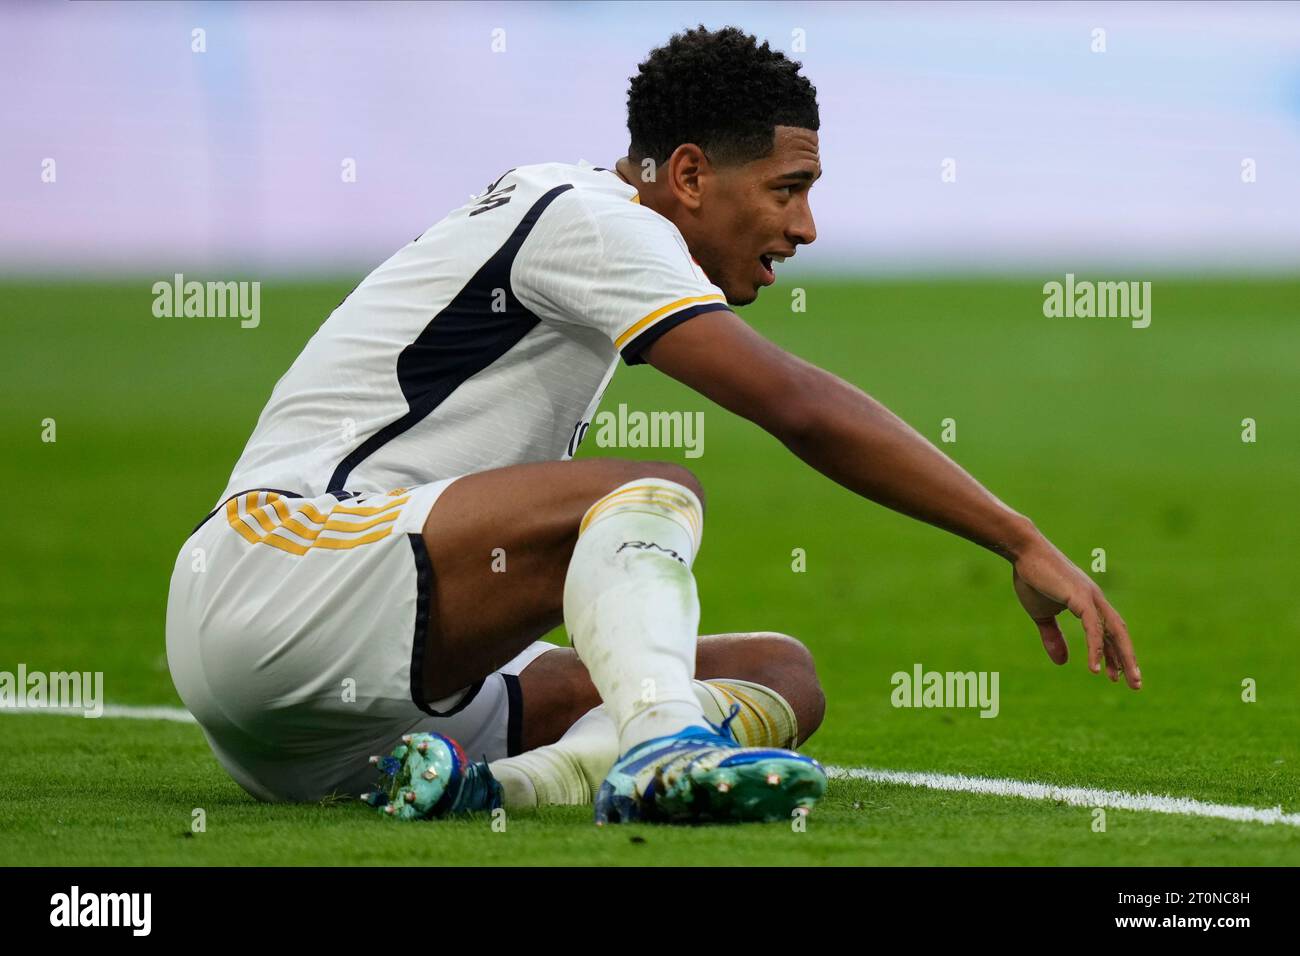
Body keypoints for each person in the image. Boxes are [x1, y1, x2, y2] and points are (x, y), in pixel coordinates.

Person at [166, 25, 1140, 827]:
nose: (805, 228)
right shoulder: (591, 216)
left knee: (780, 678)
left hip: (335, 727)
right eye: (786, 187)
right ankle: (662, 746)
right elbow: (795, 406)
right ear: (685, 175)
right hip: (280, 575)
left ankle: (494, 786)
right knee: (648, 493)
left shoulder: (579, 217)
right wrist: (1016, 536)